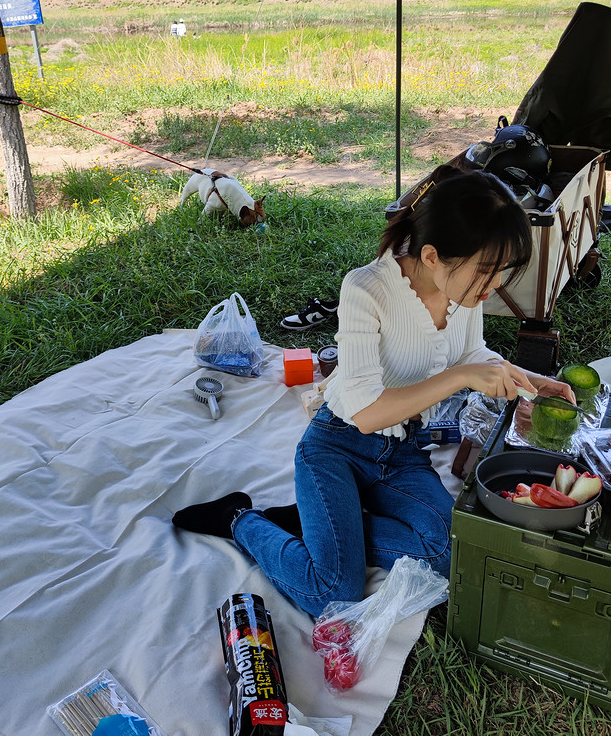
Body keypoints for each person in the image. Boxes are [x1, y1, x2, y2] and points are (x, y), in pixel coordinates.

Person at [173, 167, 576, 617]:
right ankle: (240, 519)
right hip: (337, 447)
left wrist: (529, 381)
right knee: (332, 592)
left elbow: (473, 353)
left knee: (452, 555)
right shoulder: (365, 287)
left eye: (502, 271)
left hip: (404, 453)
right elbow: (365, 412)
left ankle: (325, 527)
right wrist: (461, 377)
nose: (495, 285)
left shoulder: (463, 296)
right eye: (486, 270)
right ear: (431, 256)